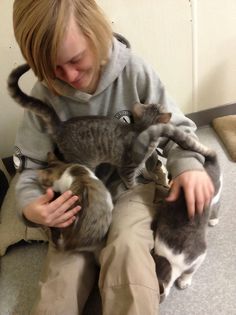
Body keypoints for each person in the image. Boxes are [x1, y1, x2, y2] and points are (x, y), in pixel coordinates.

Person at [12, 0, 214, 314]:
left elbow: (177, 128)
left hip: (131, 189)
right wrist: (29, 206)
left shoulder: (135, 71)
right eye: (53, 69)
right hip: (76, 199)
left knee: (128, 249)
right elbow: (30, 167)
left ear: (97, 33)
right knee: (63, 272)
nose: (68, 75)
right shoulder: (43, 94)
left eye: (76, 60)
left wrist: (188, 165)